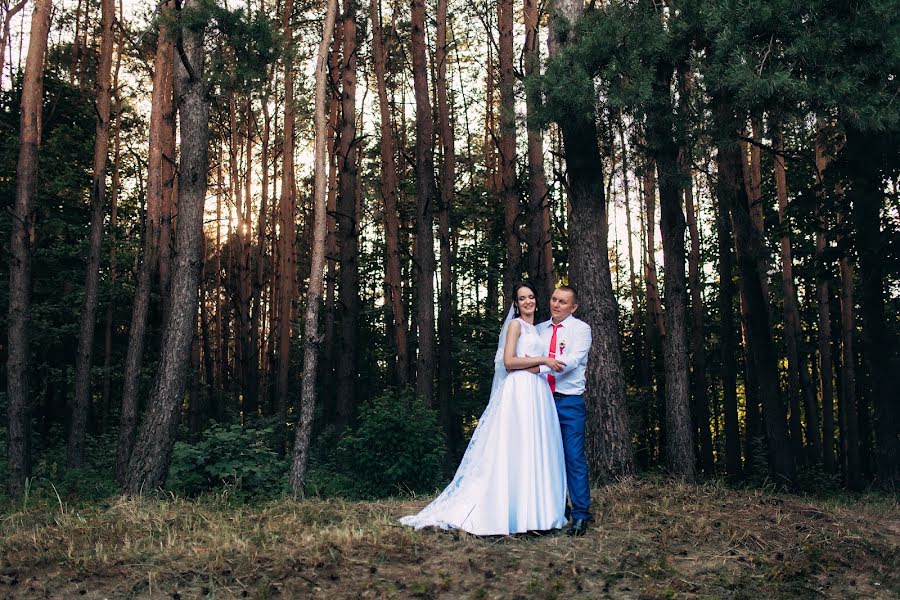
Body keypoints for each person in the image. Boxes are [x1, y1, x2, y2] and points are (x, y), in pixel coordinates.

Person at [399, 282, 568, 535]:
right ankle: (508, 514)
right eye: (522, 298)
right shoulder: (515, 326)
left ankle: (534, 514)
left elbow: (531, 365)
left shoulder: (537, 329)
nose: (528, 302)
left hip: (537, 391)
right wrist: (543, 360)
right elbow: (510, 362)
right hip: (519, 392)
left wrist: (538, 366)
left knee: (533, 448)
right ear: (515, 303)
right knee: (516, 447)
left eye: (531, 296)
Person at [537, 285, 593, 536]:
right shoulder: (538, 330)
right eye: (554, 299)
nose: (556, 305)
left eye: (563, 302)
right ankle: (555, 509)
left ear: (574, 307)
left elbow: (569, 363)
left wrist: (536, 367)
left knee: (573, 457)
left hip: (569, 401)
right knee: (545, 458)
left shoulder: (581, 330)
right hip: (540, 400)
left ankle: (581, 514)